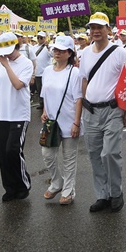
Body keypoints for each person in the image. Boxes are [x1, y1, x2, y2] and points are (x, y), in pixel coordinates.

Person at [79, 12, 126, 213]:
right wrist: (85, 103)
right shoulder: (85, 53)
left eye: (99, 27)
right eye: (92, 27)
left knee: (110, 153)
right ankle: (102, 195)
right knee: (94, 155)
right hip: (91, 111)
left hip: (112, 109)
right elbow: (84, 80)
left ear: (108, 30)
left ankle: (116, 192)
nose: (95, 31)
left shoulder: (119, 52)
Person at [0, 32, 33, 202]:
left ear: (17, 46)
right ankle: (10, 187)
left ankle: (23, 184)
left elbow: (18, 85)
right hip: (3, 114)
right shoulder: (0, 63)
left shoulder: (25, 63)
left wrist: (7, 65)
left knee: (13, 150)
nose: (7, 53)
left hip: (19, 114)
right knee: (3, 154)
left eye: (10, 49)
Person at [40, 35, 83, 205]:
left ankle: (68, 190)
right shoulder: (47, 71)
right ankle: (57, 182)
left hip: (70, 119)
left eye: (61, 50)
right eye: (55, 49)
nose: (57, 53)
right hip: (52, 122)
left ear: (70, 53)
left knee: (69, 158)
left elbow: (78, 99)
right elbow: (45, 95)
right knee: (47, 154)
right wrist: (44, 111)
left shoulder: (75, 72)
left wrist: (77, 122)